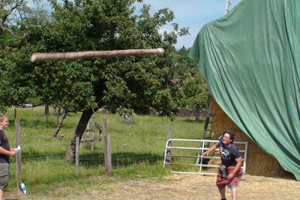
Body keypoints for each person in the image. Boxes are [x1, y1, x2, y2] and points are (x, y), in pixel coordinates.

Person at [202, 130, 243, 200]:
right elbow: (216, 145)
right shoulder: (221, 143)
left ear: (231, 140)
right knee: (220, 184)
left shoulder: (234, 149)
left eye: (226, 137)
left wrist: (233, 173)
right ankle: (223, 198)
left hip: (233, 167)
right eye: (224, 136)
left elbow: (239, 162)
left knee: (233, 184)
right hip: (223, 167)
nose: (224, 138)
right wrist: (208, 151)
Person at [0, 115, 16, 200]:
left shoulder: (2, 133)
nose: (8, 123)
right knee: (2, 183)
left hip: (4, 161)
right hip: (1, 162)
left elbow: (2, 146)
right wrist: (9, 153)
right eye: (6, 121)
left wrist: (11, 149)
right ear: (0, 122)